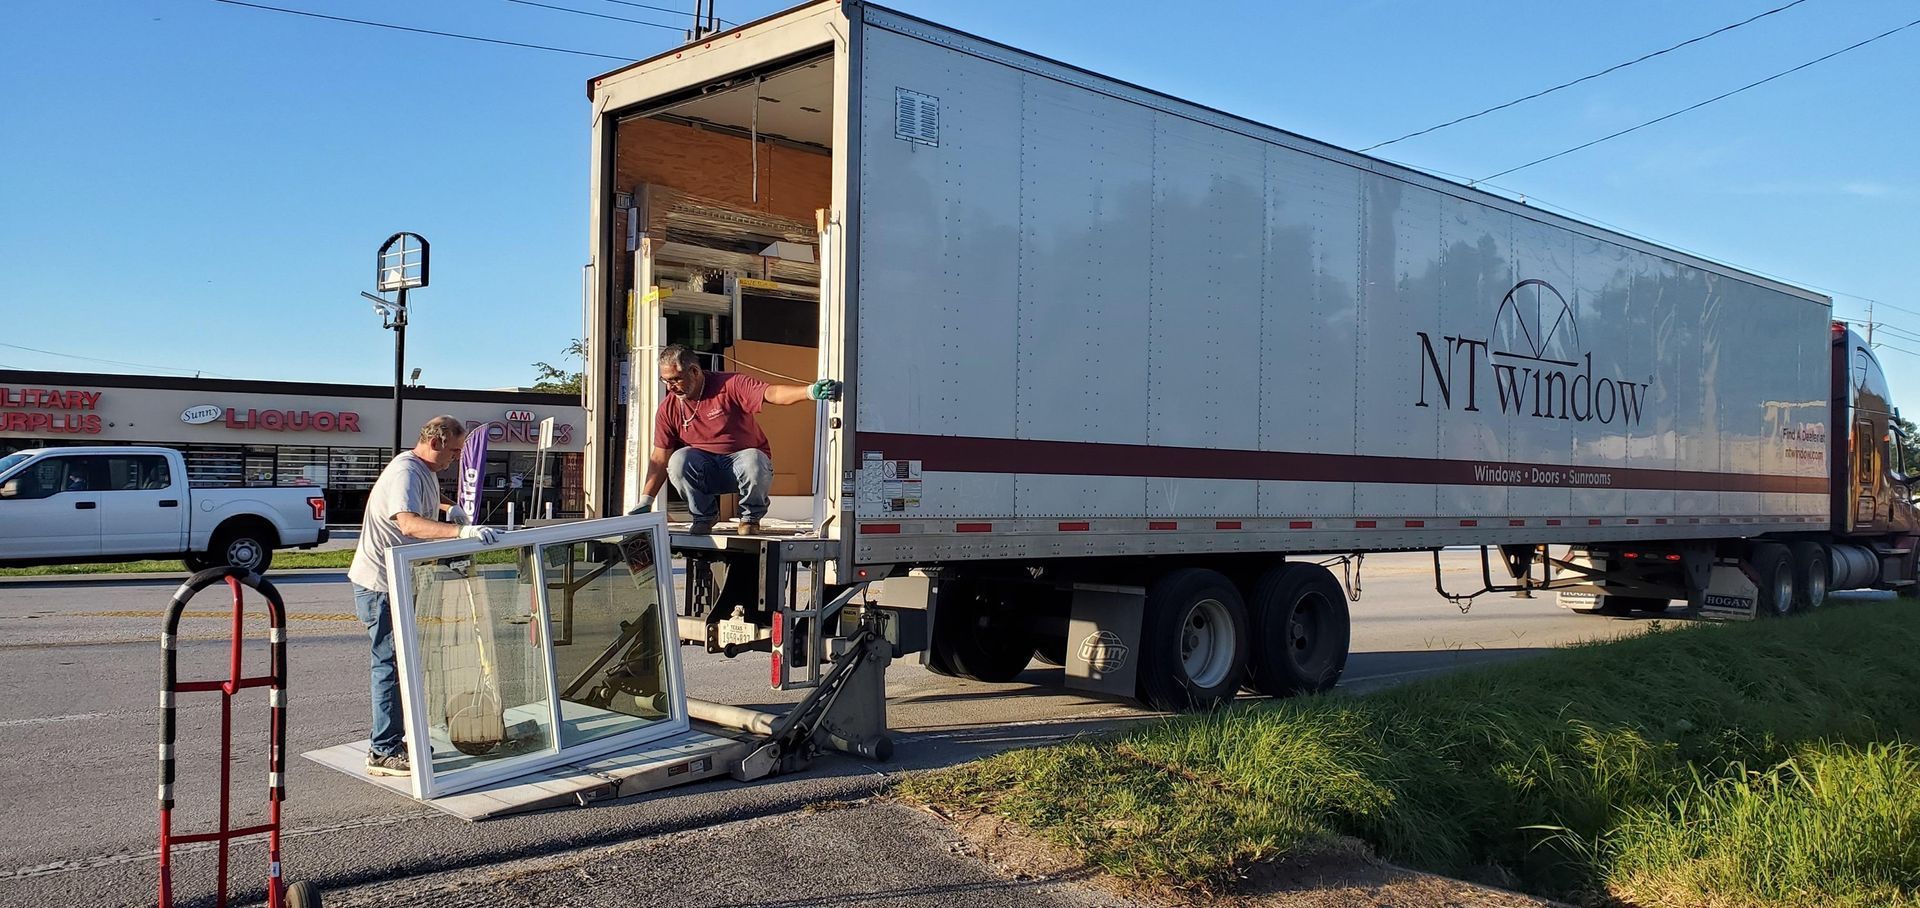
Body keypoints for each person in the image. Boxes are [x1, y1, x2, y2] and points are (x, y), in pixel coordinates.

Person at [347, 415, 498, 777]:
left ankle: (396, 739)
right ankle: (382, 750)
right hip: (380, 585)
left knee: (403, 664)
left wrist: (449, 507)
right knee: (389, 665)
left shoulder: (421, 470)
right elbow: (409, 523)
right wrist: (461, 533)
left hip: (398, 581)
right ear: (437, 442)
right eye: (455, 450)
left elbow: (427, 497)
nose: (457, 458)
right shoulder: (405, 471)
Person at [633, 344, 839, 535]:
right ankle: (703, 517)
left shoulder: (729, 384)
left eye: (675, 379)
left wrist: (810, 392)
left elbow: (771, 393)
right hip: (707, 470)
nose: (670, 387)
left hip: (742, 465)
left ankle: (750, 518)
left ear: (694, 371)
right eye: (665, 381)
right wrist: (646, 500)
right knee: (679, 460)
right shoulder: (668, 408)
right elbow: (660, 457)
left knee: (753, 459)